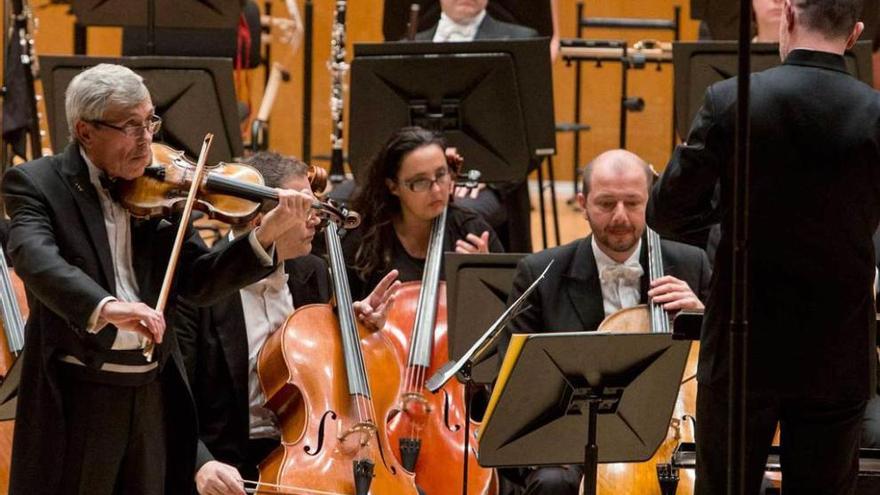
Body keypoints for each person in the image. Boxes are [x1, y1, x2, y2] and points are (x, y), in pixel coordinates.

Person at [1, 63, 312, 495]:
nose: (148, 139)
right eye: (130, 126)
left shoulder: (154, 189)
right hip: (81, 395)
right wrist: (106, 307)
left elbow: (202, 281)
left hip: (150, 395)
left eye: (150, 121)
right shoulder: (36, 183)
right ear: (85, 132)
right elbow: (37, 260)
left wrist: (265, 235)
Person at [648, 1, 880, 493]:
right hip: (838, 347)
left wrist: (725, 215)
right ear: (855, 34)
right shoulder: (876, 114)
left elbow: (666, 211)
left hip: (743, 344)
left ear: (789, 17)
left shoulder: (729, 99)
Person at [179, 152, 400, 495]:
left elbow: (326, 386)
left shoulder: (311, 272)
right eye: (302, 209)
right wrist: (201, 463)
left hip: (312, 456)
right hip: (228, 467)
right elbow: (174, 399)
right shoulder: (199, 289)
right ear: (260, 224)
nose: (316, 219)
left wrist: (358, 332)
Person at [498, 149, 711, 495]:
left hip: (676, 434)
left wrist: (704, 318)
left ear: (650, 202)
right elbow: (510, 383)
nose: (621, 217)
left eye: (633, 203)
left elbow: (728, 367)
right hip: (574, 441)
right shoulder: (540, 274)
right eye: (606, 203)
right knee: (553, 483)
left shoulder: (691, 264)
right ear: (582, 203)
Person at [413, 0, 538, 253]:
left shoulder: (521, 41)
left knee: (458, 213)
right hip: (422, 176)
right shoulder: (411, 44)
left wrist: (484, 177)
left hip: (488, 182)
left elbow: (534, 136)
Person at [344, 126, 503, 300]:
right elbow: (341, 315)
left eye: (441, 174)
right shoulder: (365, 239)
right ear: (393, 186)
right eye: (420, 181)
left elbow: (508, 308)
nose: (436, 190)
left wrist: (488, 278)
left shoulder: (473, 231)